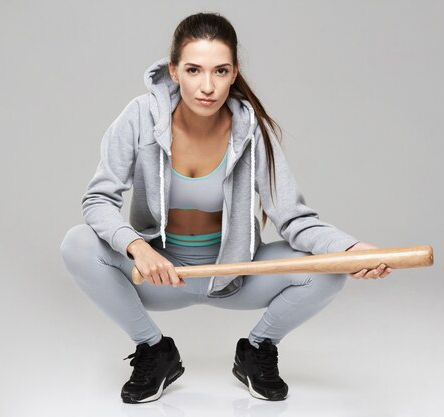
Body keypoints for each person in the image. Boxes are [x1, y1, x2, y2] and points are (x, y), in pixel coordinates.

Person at [60, 12, 392, 404]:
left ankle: (257, 349)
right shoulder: (138, 117)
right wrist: (139, 248)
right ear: (174, 70)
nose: (207, 86)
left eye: (220, 71)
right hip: (161, 274)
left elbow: (293, 218)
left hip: (236, 274)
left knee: (329, 268)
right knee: (77, 244)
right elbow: (98, 200)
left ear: (234, 73)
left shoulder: (251, 131)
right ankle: (154, 350)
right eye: (194, 70)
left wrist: (350, 251)